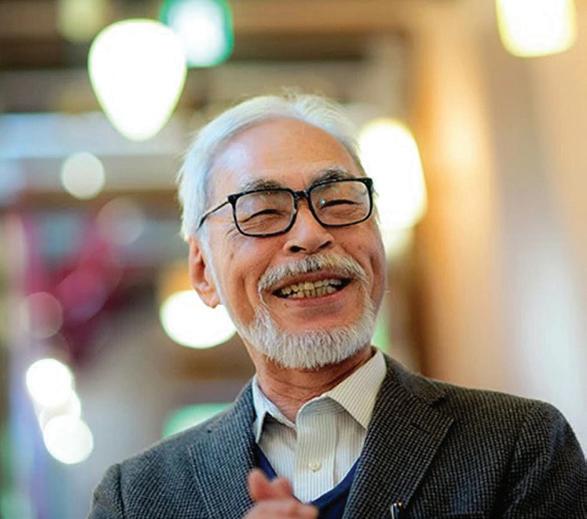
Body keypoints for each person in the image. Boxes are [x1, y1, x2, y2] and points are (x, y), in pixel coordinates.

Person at [89, 93, 587, 519]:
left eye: (339, 201)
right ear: (203, 272)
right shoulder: (138, 498)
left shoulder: (518, 447)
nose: (310, 234)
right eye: (263, 211)